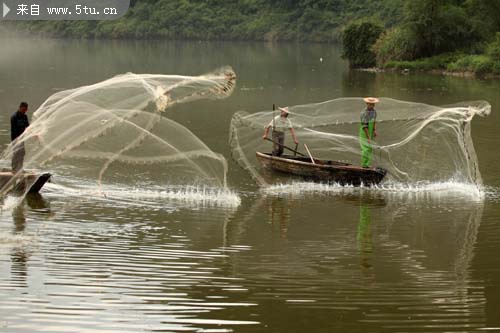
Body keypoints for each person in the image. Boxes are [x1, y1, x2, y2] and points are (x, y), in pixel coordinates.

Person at [10, 102, 30, 172]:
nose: (25, 111)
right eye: (24, 109)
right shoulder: (14, 117)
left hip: (22, 139)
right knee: (16, 153)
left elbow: (28, 127)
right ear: (20, 107)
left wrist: (34, 133)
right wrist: (18, 138)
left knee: (22, 153)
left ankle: (20, 168)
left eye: (26, 110)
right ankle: (14, 168)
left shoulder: (25, 116)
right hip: (15, 138)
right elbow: (14, 129)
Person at [359, 97, 378, 168]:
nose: (371, 106)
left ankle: (368, 164)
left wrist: (374, 130)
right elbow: (364, 126)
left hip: (370, 131)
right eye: (370, 104)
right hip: (364, 132)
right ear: (367, 104)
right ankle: (364, 165)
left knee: (370, 148)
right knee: (365, 149)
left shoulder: (374, 111)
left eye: (373, 104)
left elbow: (374, 121)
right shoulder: (364, 113)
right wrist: (368, 137)